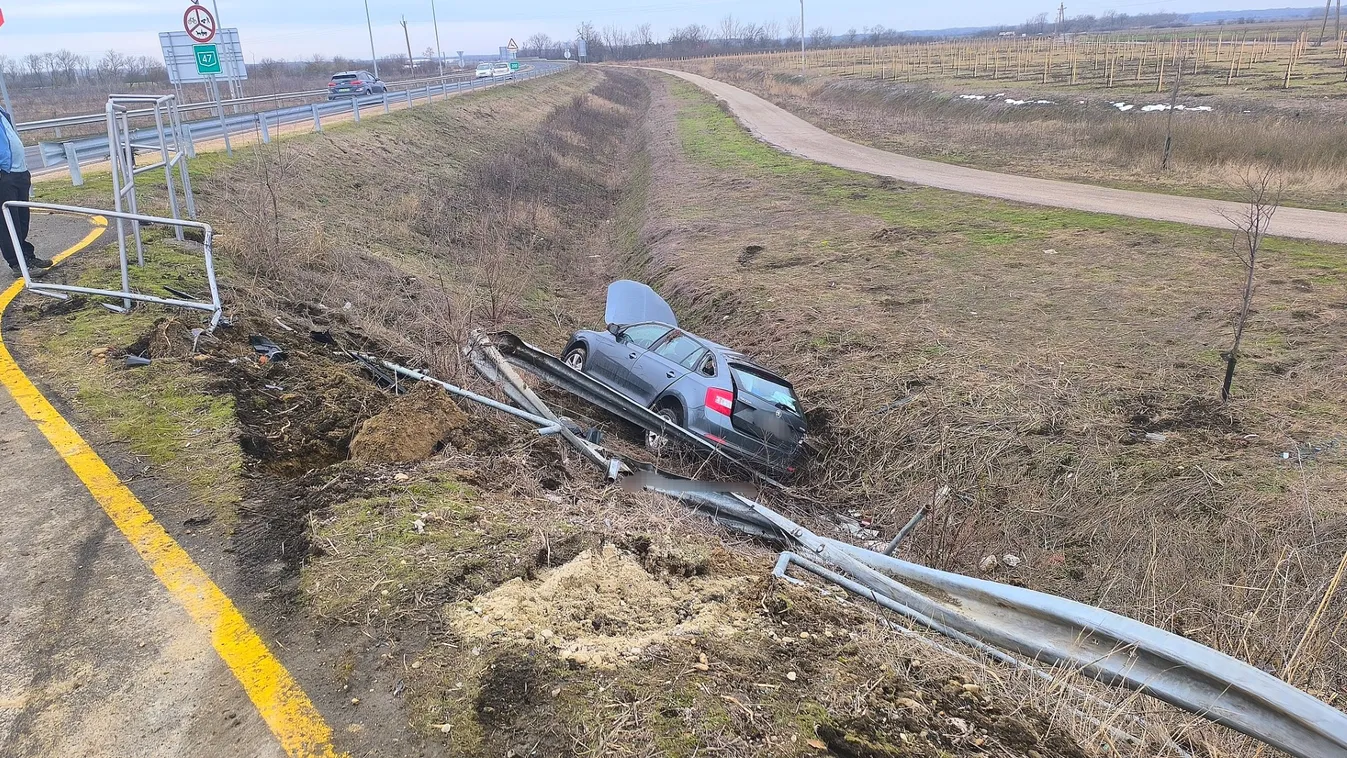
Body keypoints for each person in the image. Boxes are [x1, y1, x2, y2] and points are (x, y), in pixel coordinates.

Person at [0, 107, 52, 277]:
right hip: (5, 175)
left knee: (22, 220)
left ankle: (26, 256)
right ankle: (17, 263)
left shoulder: (2, 112)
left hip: (19, 172)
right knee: (8, 222)